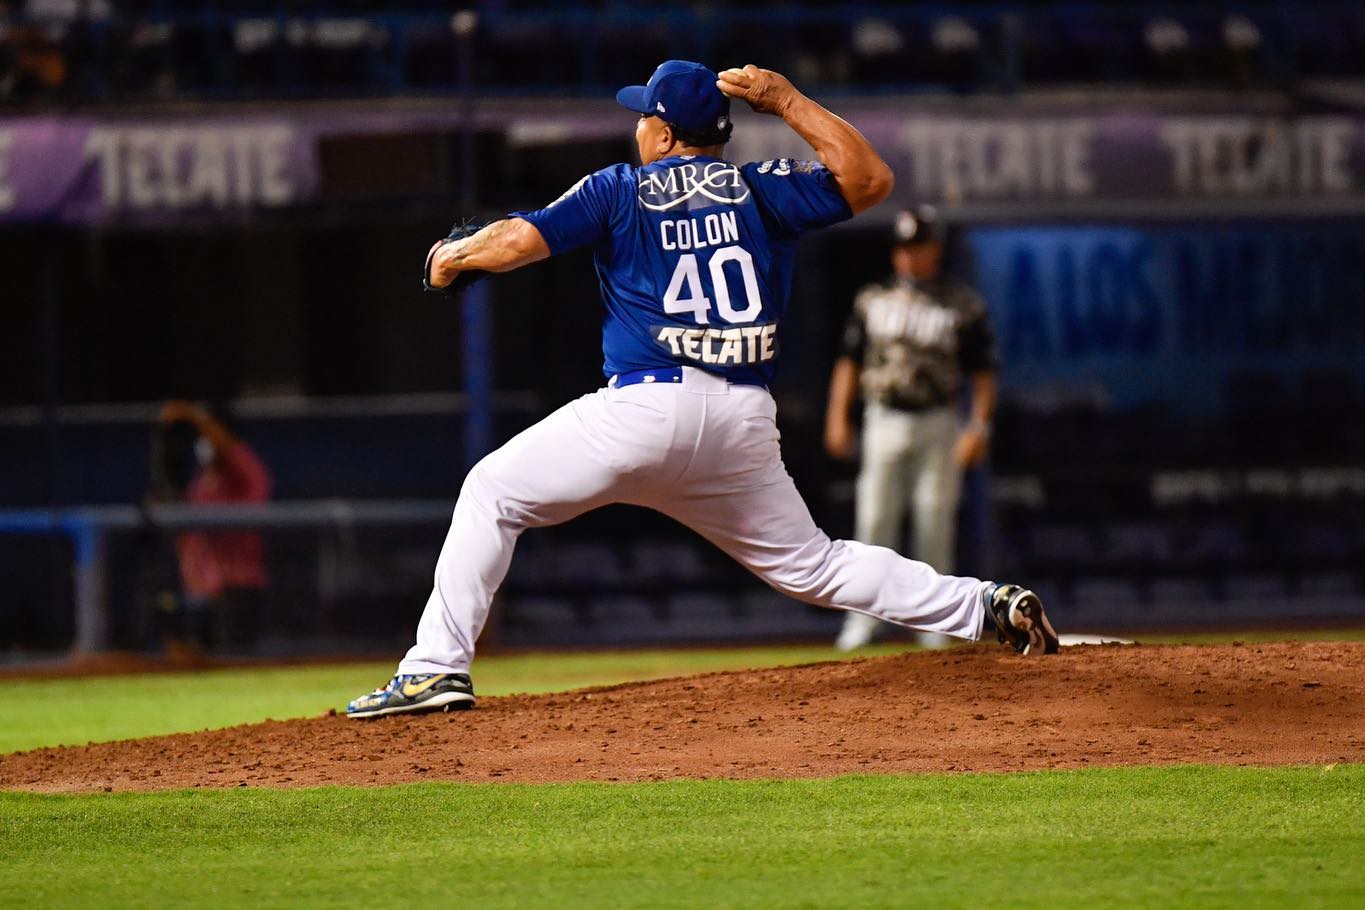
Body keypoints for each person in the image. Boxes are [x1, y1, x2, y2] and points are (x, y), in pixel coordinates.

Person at [347, 60, 1058, 719]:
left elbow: (514, 244)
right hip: (740, 420)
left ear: (659, 130)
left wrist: (448, 257)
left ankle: (436, 668)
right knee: (814, 565)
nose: (636, 127)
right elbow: (869, 180)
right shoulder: (763, 188)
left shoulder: (619, 187)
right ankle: (983, 605)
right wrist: (785, 101)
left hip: (641, 410)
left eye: (641, 117)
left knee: (491, 493)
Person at [824, 206, 999, 652]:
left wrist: (978, 425)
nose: (908, 257)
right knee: (873, 522)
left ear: (934, 250)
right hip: (883, 416)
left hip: (939, 419)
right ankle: (862, 622)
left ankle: (934, 625)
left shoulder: (961, 303)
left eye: (917, 248)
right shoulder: (873, 299)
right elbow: (849, 362)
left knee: (934, 521)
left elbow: (983, 371)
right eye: (903, 248)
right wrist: (837, 416)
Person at [156, 400, 272, 658]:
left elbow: (225, 445)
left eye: (208, 429)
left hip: (236, 587)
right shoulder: (203, 475)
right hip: (200, 588)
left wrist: (190, 414)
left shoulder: (242, 461)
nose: (204, 438)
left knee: (232, 664)